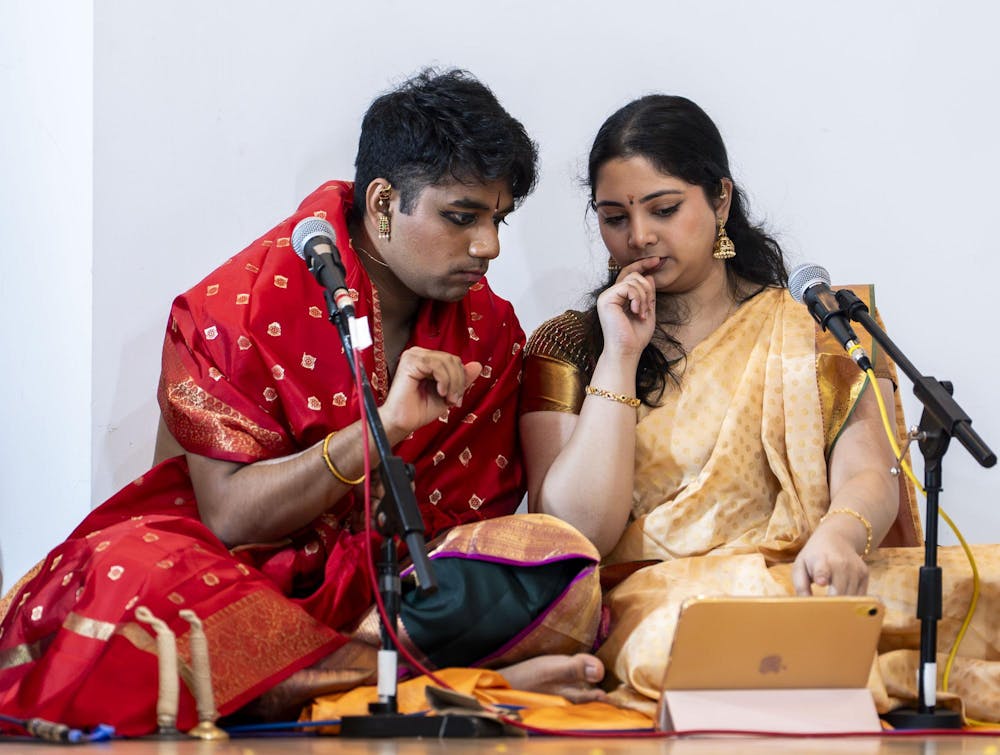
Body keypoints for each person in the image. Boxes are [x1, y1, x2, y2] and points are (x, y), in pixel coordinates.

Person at [0, 69, 605, 738]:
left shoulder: (489, 330)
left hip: (392, 594)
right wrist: (381, 431)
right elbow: (229, 517)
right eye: (461, 217)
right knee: (126, 575)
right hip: (244, 580)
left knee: (554, 559)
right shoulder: (235, 307)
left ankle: (349, 677)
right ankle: (439, 680)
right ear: (382, 204)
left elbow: (465, 529)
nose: (487, 246)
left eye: (497, 219)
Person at [519, 94, 1000, 721]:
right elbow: (578, 534)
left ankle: (847, 658)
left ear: (720, 199)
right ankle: (875, 668)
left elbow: (868, 470)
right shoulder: (571, 344)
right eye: (614, 217)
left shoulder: (822, 324)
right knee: (678, 643)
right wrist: (619, 355)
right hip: (666, 596)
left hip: (812, 575)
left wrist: (841, 535)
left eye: (664, 209)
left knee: (978, 585)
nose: (639, 236)